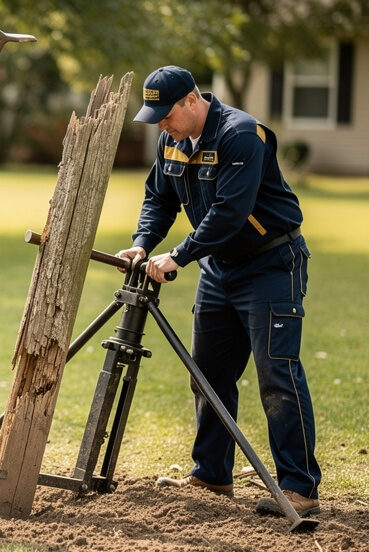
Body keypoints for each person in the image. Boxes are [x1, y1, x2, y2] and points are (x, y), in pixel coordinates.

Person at [117, 65, 321, 517]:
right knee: (206, 372)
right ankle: (212, 474)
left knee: (277, 375)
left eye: (166, 115)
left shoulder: (241, 135)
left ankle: (299, 487)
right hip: (219, 269)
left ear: (192, 100)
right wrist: (142, 242)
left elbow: (230, 213)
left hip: (270, 264)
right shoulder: (171, 138)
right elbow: (159, 197)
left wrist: (178, 255)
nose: (161, 125)